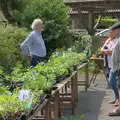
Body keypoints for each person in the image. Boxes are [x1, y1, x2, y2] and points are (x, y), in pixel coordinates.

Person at [108, 22, 120, 116]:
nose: (112, 32)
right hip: (115, 66)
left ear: (118, 30)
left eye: (114, 30)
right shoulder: (118, 39)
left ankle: (118, 109)